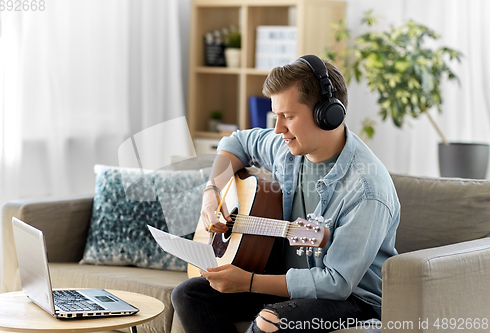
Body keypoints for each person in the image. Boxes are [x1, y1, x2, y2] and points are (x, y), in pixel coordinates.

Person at [171, 55, 400, 333]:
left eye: (288, 117)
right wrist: (211, 193)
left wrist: (249, 282)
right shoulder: (287, 149)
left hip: (354, 299)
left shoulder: (367, 189)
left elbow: (337, 282)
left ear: (328, 114)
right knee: (188, 294)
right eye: (276, 116)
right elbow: (237, 141)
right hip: (283, 281)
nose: (278, 129)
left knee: (271, 320)